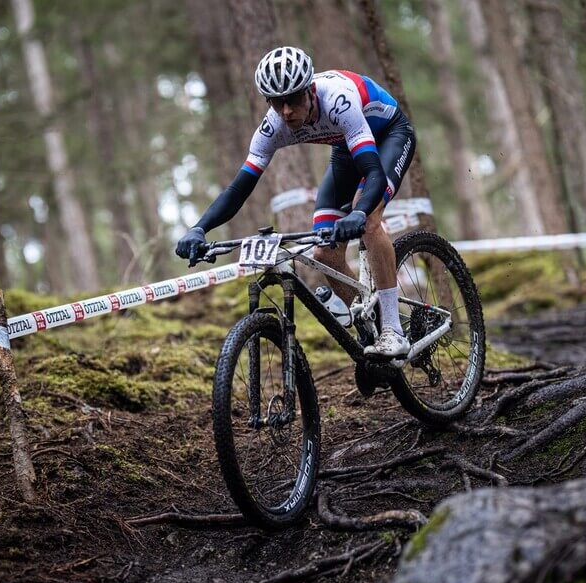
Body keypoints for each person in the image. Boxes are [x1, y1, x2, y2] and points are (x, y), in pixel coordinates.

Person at [175, 46, 416, 357]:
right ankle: (370, 319)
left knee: (369, 221)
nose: (286, 111)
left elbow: (373, 173)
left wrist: (359, 212)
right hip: (346, 147)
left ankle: (394, 330)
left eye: (293, 100)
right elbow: (238, 189)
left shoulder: (339, 101)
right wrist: (199, 228)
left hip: (389, 135)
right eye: (276, 103)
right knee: (324, 251)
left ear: (311, 91)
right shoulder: (272, 126)